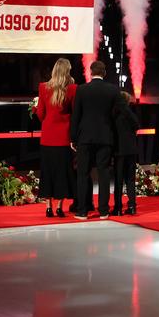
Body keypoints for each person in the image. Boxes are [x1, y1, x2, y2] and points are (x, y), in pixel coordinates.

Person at [69, 60, 118, 219]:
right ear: (104, 73)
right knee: (104, 174)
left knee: (83, 174)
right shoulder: (112, 90)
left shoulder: (82, 90)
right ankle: (103, 211)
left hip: (85, 138)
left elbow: (76, 116)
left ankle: (82, 211)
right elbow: (116, 116)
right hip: (105, 138)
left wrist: (73, 137)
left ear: (91, 72)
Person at [34, 58, 77, 218]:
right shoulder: (72, 89)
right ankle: (59, 207)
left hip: (48, 137)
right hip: (63, 137)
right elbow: (74, 113)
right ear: (67, 71)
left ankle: (48, 207)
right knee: (61, 173)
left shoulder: (43, 87)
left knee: (48, 172)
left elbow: (41, 114)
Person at [111, 90, 140, 216]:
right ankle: (132, 206)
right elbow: (137, 125)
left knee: (118, 180)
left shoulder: (114, 114)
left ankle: (117, 208)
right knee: (130, 179)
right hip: (131, 150)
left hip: (118, 151)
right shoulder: (130, 114)